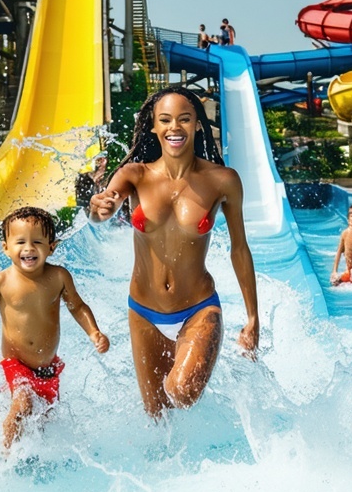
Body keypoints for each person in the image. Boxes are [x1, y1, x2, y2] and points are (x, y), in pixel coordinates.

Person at [88, 87, 260, 417]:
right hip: (143, 313)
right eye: (165, 120)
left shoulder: (223, 180)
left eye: (184, 119)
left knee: (182, 392)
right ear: (153, 126)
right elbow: (101, 211)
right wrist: (99, 209)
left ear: (197, 124)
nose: (174, 127)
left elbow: (239, 248)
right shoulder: (134, 175)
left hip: (198, 309)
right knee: (158, 419)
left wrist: (253, 319)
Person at [0, 207, 110, 450]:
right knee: (24, 405)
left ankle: (30, 456)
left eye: (37, 242)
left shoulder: (59, 277)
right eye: (20, 242)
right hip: (16, 363)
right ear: (6, 247)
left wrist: (94, 332)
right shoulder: (2, 281)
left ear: (52, 247)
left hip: (48, 367)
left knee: (44, 419)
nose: (28, 248)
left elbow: (77, 306)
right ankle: (4, 455)